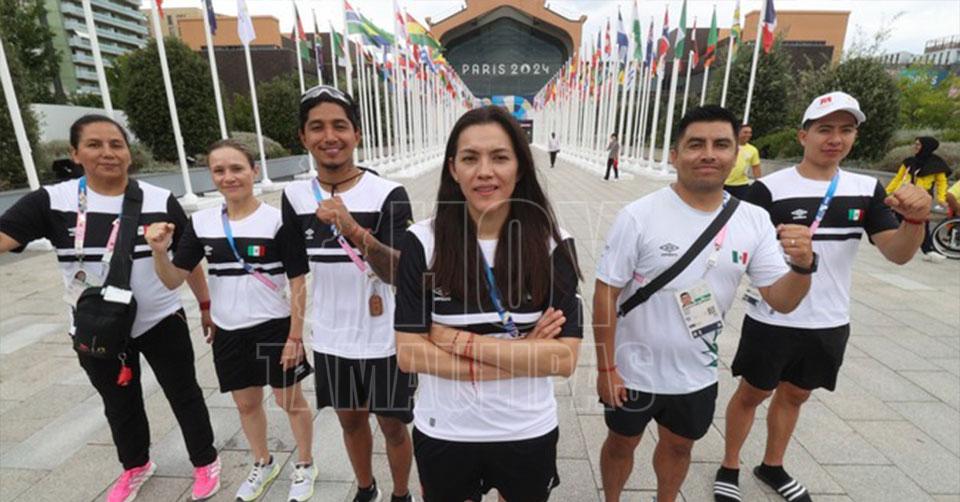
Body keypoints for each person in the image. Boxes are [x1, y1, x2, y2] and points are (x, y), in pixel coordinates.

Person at [716, 91, 932, 502]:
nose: (835, 138)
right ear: (804, 136)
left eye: (845, 130)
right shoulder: (768, 189)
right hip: (773, 316)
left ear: (854, 137)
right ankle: (729, 464)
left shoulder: (866, 189)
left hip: (829, 319)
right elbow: (740, 252)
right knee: (752, 393)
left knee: (796, 394)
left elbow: (897, 253)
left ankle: (773, 465)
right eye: (824, 129)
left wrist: (916, 221)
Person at [594, 105, 815, 502]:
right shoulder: (638, 216)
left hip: (696, 372)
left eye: (721, 145)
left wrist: (803, 267)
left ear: (736, 154)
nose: (709, 154)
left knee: (680, 446)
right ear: (675, 155)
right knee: (621, 443)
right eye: (696, 144)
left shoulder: (753, 220)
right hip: (632, 368)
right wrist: (606, 368)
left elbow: (781, 301)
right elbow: (605, 292)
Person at [0, 115, 220, 502]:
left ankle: (205, 461)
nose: (107, 153)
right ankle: (136, 465)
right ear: (75, 154)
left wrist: (205, 304)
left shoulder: (159, 200)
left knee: (184, 392)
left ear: (129, 154)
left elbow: (188, 260)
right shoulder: (53, 201)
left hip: (159, 318)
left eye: (116, 145)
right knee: (119, 402)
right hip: (95, 326)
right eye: (94, 144)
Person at [394, 105, 583, 502]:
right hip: (445, 429)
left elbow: (563, 359)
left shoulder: (554, 244)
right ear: (452, 169)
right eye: (470, 158)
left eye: (499, 157)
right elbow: (410, 354)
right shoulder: (422, 242)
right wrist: (526, 350)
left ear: (520, 166)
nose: (484, 172)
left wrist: (457, 341)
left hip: (526, 430)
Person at [146, 139, 316, 501]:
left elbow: (298, 282)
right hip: (228, 331)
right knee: (246, 404)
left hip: (274, 328)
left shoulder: (277, 221)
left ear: (254, 171)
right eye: (219, 170)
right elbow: (174, 279)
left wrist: (295, 337)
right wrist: (159, 253)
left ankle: (305, 464)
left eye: (237, 168)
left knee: (290, 401)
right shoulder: (201, 222)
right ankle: (263, 462)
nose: (229, 177)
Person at [281, 85, 416, 502]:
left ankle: (401, 494)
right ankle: (365, 488)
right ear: (303, 137)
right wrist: (295, 335)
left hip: (384, 339)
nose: (329, 136)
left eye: (340, 126)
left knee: (393, 426)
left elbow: (402, 272)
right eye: (317, 127)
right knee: (350, 422)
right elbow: (296, 273)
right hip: (332, 339)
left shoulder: (388, 193)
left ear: (356, 134)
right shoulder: (294, 196)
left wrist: (355, 231)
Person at [885, 136, 952, 261]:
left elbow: (942, 183)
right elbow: (898, 178)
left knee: (922, 223)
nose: (915, 147)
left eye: (918, 145)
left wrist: (941, 198)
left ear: (927, 147)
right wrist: (887, 192)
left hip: (921, 198)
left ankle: (928, 250)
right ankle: (892, 245)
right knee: (897, 221)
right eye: (915, 144)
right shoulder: (909, 162)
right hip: (903, 195)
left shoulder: (937, 164)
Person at [723, 123, 761, 199]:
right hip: (723, 184)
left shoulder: (753, 150)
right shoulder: (726, 146)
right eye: (745, 132)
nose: (748, 135)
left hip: (742, 185)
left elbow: (756, 167)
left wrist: (759, 183)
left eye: (750, 133)